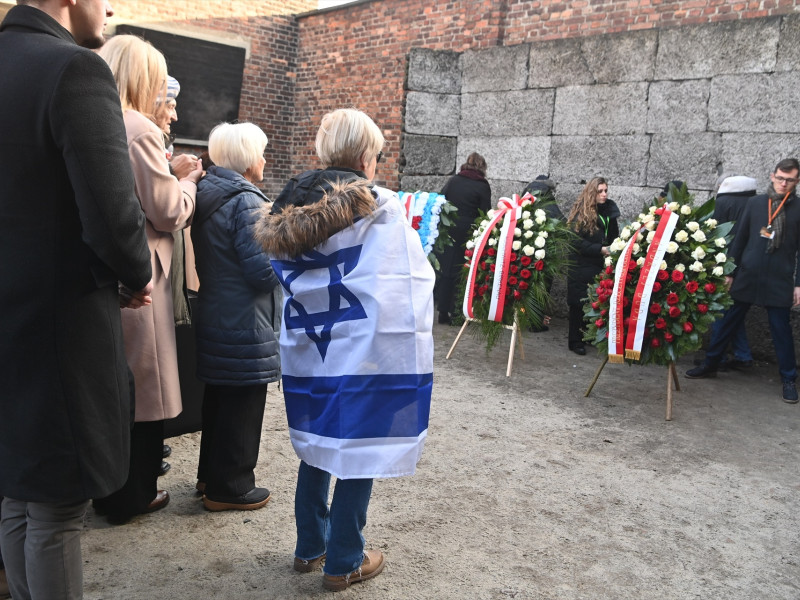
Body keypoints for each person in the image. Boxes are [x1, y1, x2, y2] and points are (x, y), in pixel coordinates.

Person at [0, 2, 152, 598]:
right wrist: (133, 272)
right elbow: (114, 219)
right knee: (58, 507)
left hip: (13, 316)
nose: (109, 6)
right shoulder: (75, 70)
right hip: (59, 324)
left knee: (17, 492)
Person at [256, 108, 434, 591]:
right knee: (360, 440)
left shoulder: (287, 206)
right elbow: (407, 280)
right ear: (363, 156)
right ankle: (345, 560)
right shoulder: (379, 206)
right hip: (364, 343)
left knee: (319, 437)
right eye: (375, 155)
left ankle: (310, 545)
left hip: (312, 343)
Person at [93, 34, 202, 522]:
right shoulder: (138, 128)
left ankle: (111, 490)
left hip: (105, 275)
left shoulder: (100, 119)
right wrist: (187, 181)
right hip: (143, 277)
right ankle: (131, 496)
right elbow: (167, 210)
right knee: (143, 389)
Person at [191, 122, 281, 511]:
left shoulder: (208, 191)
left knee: (219, 400)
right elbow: (261, 272)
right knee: (243, 402)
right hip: (245, 319)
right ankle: (231, 487)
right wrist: (286, 248)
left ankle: (210, 476)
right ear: (246, 159)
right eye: (260, 151)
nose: (264, 159)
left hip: (217, 312)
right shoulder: (247, 200)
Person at [686, 158, 800, 403]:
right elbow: (740, 239)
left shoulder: (799, 209)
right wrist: (729, 271)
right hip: (747, 274)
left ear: (796, 181)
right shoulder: (756, 203)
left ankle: (789, 379)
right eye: (780, 178)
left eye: (789, 180)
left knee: (781, 330)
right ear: (772, 176)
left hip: (779, 279)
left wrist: (798, 283)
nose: (783, 183)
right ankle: (711, 363)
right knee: (727, 321)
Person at [706, 175, 759, 370]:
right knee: (734, 313)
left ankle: (716, 356)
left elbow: (713, 232)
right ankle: (743, 355)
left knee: (722, 311)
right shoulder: (756, 203)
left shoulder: (723, 202)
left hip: (725, 264)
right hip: (750, 265)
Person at [566, 177, 620, 355]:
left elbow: (614, 236)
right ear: (592, 193)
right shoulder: (580, 213)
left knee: (593, 302)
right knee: (577, 304)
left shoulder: (609, 212)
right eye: (600, 191)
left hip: (599, 264)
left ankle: (587, 336)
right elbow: (575, 242)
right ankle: (575, 341)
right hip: (580, 265)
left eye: (606, 191)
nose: (604, 194)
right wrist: (600, 249)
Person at [437, 152, 491, 325]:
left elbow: (441, 199)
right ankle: (457, 312)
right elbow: (485, 212)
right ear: (482, 167)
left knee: (446, 271)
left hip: (450, 230)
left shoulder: (454, 180)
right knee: (463, 272)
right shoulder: (482, 186)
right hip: (468, 234)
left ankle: (442, 311)